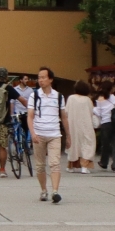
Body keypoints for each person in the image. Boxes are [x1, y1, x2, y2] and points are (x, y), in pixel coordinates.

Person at [29, 67, 67, 203]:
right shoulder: (34, 96)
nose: (41, 80)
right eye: (39, 77)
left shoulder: (58, 96)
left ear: (50, 79)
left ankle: (55, 191)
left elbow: (64, 117)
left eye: (43, 77)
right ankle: (44, 190)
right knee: (40, 165)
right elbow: (30, 116)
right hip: (39, 134)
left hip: (54, 134)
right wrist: (32, 133)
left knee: (55, 163)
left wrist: (68, 135)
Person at [64, 79, 97, 174]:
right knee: (87, 144)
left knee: (73, 145)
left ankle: (71, 166)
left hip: (73, 125)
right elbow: (91, 113)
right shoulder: (88, 100)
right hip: (86, 125)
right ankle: (85, 167)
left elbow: (66, 112)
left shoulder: (71, 98)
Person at [93, 79, 115, 171]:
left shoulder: (100, 100)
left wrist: (93, 109)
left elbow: (98, 112)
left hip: (106, 124)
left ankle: (104, 162)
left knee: (105, 144)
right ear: (111, 89)